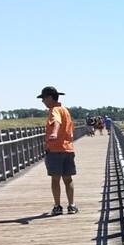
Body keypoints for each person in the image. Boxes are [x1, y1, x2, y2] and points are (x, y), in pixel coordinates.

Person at [39, 85, 78, 215]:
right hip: (68, 149)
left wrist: (54, 133)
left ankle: (57, 206)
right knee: (68, 179)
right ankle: (72, 205)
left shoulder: (54, 110)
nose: (43, 101)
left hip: (55, 150)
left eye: (44, 98)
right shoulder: (65, 110)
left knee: (55, 179)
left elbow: (56, 122)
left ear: (50, 98)